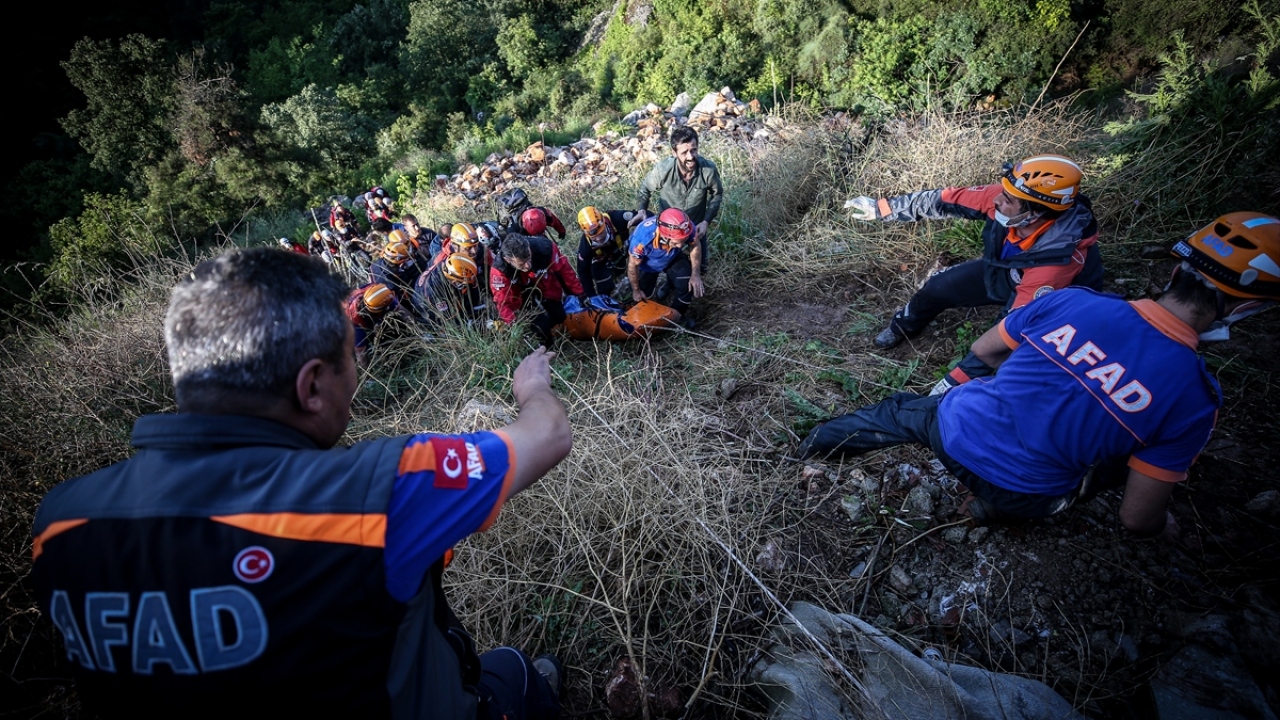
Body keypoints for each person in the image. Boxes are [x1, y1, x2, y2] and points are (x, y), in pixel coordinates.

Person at [29, 247, 571, 718]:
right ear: (311, 385)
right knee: (515, 673)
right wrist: (531, 387)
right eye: (348, 361)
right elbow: (546, 436)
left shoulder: (58, 521)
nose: (356, 379)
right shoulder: (382, 488)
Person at [798, 212, 1280, 536]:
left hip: (951, 429)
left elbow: (985, 352)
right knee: (1124, 461)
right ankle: (996, 510)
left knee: (896, 411)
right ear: (1249, 307)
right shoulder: (1197, 399)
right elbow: (1136, 518)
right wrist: (1162, 528)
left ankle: (810, 445)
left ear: (1176, 271)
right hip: (1030, 494)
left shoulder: (1073, 301)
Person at [847, 154, 1102, 349]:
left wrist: (956, 378)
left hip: (1053, 299)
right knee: (938, 286)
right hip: (1006, 270)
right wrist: (883, 209)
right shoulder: (1007, 202)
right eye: (1004, 192)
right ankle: (902, 327)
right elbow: (944, 199)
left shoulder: (1057, 262)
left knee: (1014, 346)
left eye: (1009, 200)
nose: (997, 200)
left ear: (1036, 212)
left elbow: (1011, 328)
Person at [631, 125, 722, 271]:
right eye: (684, 152)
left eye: (693, 150)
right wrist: (642, 210)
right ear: (674, 152)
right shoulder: (663, 170)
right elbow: (645, 189)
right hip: (668, 231)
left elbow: (717, 194)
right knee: (667, 265)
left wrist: (706, 221)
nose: (690, 157)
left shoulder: (708, 170)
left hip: (695, 227)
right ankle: (669, 285)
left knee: (701, 268)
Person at [490, 234, 585, 346]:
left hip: (543, 283)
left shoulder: (545, 248)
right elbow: (503, 302)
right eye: (522, 263)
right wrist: (514, 324)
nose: (528, 265)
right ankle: (545, 344)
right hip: (521, 294)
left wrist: (580, 293)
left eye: (529, 258)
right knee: (541, 327)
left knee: (560, 315)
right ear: (508, 260)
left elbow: (565, 271)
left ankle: (554, 329)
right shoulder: (500, 272)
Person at [627, 208, 702, 326]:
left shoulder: (686, 227)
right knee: (643, 298)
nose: (681, 245)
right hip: (646, 265)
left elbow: (695, 244)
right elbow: (633, 266)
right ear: (664, 236)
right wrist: (636, 290)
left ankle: (676, 318)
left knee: (687, 284)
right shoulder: (642, 240)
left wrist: (695, 274)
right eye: (677, 242)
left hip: (672, 257)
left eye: (684, 241)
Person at [574, 206, 634, 298]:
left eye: (601, 233)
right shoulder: (585, 247)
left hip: (618, 250)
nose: (599, 238)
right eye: (595, 237)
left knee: (621, 270)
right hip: (599, 261)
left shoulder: (618, 219)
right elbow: (583, 272)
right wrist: (592, 297)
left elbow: (644, 216)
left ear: (605, 223)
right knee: (605, 286)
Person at [411, 254, 485, 327]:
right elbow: (448, 317)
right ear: (454, 281)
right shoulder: (436, 292)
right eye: (463, 283)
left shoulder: (448, 265)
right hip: (430, 311)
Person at [346, 282, 410, 366]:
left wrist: (420, 332)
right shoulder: (356, 321)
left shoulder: (380, 293)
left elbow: (403, 312)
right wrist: (367, 377)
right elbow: (360, 352)